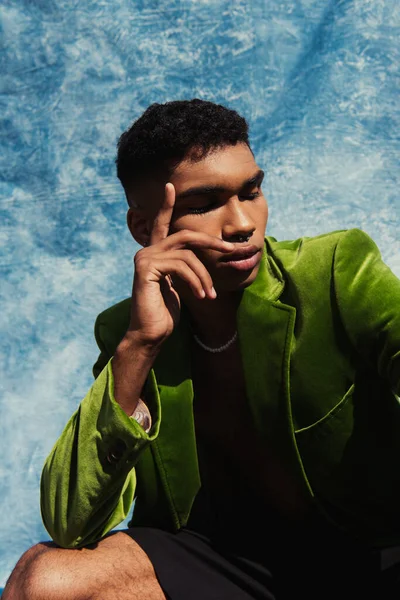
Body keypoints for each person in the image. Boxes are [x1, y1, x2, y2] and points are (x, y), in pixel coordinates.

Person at [4, 99, 400, 600]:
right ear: (145, 227)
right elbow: (69, 524)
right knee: (44, 579)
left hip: (372, 552)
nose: (241, 223)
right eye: (205, 203)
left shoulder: (336, 273)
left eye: (251, 191)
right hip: (227, 563)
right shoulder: (127, 335)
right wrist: (140, 346)